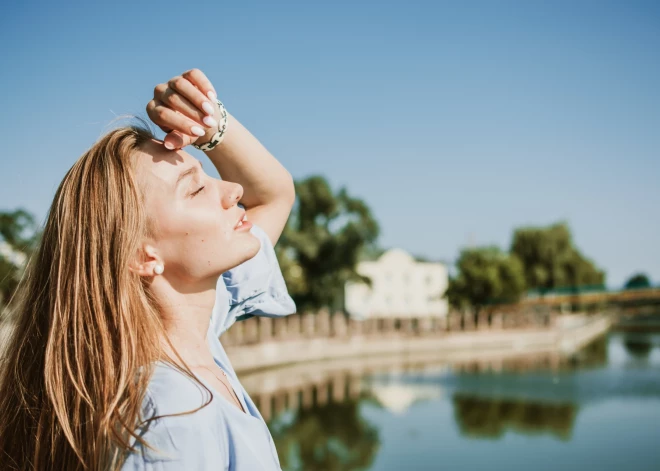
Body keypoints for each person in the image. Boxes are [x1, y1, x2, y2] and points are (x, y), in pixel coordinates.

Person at [0, 69, 297, 470]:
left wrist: (207, 122)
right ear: (143, 257)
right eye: (195, 189)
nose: (233, 191)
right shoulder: (172, 418)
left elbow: (274, 194)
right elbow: (271, 195)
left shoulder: (194, 333)